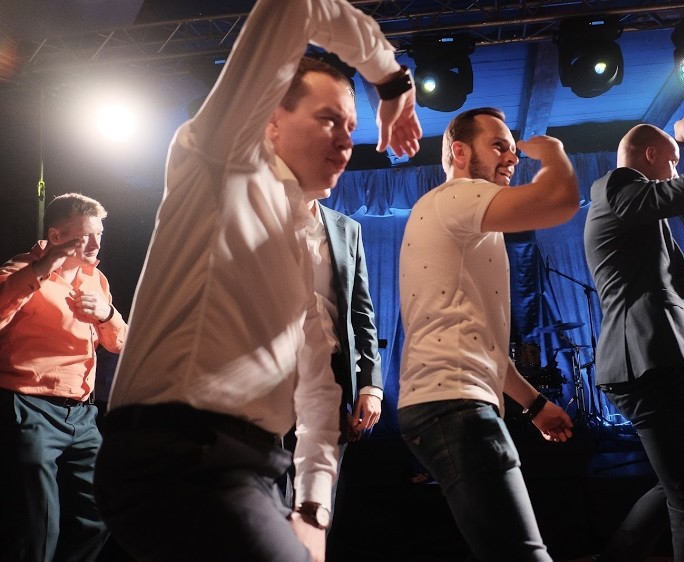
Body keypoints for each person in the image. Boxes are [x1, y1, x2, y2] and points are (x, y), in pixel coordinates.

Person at [92, 0, 421, 561]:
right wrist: (391, 80)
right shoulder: (221, 160)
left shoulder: (305, 245)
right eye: (329, 119)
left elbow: (318, 389)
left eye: (351, 128)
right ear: (270, 119)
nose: (347, 142)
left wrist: (313, 508)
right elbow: (294, 7)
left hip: (258, 471)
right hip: (181, 457)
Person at [398, 107, 580, 561]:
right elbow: (559, 199)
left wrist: (535, 405)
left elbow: (483, 344)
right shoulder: (458, 195)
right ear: (459, 153)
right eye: (499, 146)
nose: (512, 157)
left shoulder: (466, 219)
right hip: (453, 405)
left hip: (447, 402)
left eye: (514, 149)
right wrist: (554, 153)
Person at [583, 116, 684, 562]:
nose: (675, 171)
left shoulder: (631, 205)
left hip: (644, 361)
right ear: (650, 156)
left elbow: (660, 287)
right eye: (673, 161)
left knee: (681, 488)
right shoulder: (621, 189)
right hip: (648, 362)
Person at [0, 192, 128, 562]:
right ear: (56, 236)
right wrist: (42, 269)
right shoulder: (20, 270)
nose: (97, 244)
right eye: (87, 236)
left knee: (100, 512)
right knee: (38, 527)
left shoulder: (96, 279)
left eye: (100, 234)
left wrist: (106, 314)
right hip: (30, 409)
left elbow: (120, 342)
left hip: (82, 416)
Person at [270, 94, 384, 508]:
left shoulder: (347, 229)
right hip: (271, 380)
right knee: (270, 505)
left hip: (331, 380)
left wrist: (370, 385)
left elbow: (362, 313)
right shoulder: (254, 220)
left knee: (317, 507)